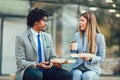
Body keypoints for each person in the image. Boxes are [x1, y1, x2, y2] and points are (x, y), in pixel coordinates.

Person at [15, 8, 72, 80]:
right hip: (30, 69)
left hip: (47, 69)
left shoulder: (48, 37)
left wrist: (54, 62)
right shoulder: (21, 37)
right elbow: (20, 62)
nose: (46, 23)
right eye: (43, 20)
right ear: (35, 21)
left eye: (46, 21)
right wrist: (37, 65)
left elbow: (52, 57)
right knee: (37, 75)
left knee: (66, 75)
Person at [70, 12, 106, 80]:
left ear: (89, 22)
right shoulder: (77, 35)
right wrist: (72, 50)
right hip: (78, 67)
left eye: (82, 20)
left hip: (92, 69)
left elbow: (102, 58)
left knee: (87, 76)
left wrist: (90, 58)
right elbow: (73, 55)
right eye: (79, 20)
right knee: (76, 74)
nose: (80, 22)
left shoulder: (99, 37)